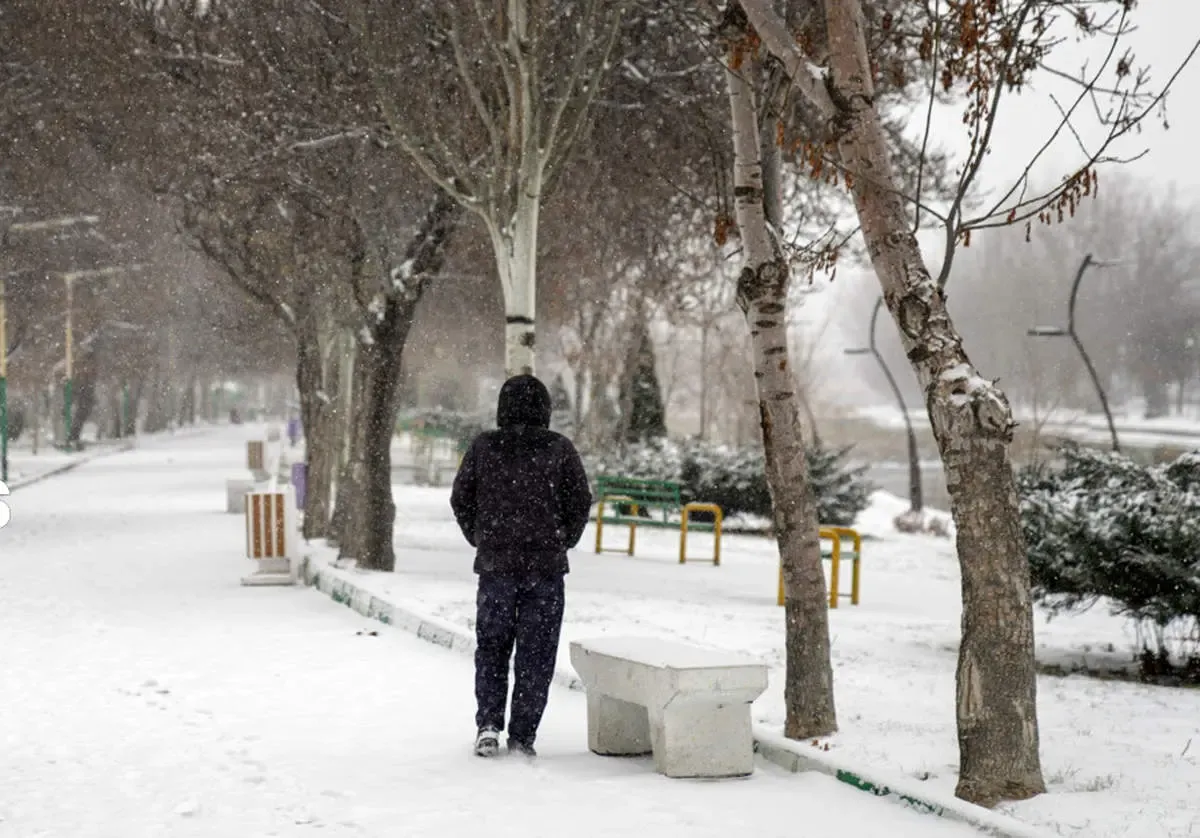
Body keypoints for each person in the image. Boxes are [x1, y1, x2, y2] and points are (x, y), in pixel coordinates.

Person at [450, 374, 593, 759]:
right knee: (537, 653)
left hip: (496, 568)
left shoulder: (484, 447)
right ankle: (523, 734)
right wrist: (562, 539)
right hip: (545, 571)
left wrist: (481, 536)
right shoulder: (559, 449)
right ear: (545, 409)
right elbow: (581, 501)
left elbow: (460, 498)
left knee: (492, 647)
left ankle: (488, 723)